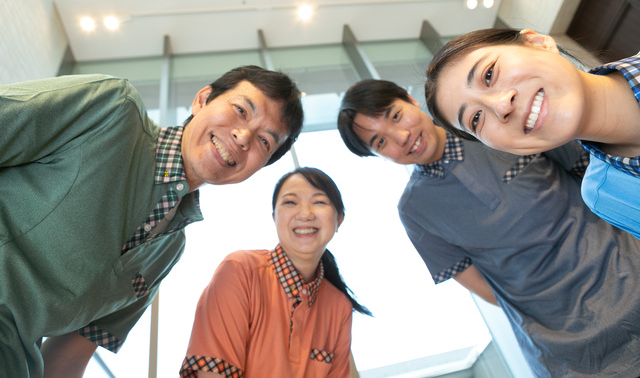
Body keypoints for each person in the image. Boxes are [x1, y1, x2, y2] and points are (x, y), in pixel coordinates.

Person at [0, 65, 304, 378]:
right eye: (241, 110)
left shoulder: (168, 250)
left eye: (264, 141)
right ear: (202, 100)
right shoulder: (113, 109)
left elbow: (68, 358)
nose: (243, 136)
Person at [337, 79, 640, 377]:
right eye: (380, 142)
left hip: (628, 272)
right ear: (376, 155)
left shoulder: (492, 124)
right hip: (566, 343)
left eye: (395, 116)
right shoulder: (414, 211)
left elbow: (592, 175)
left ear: (410, 99)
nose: (401, 136)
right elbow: (486, 291)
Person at [423, 28, 640, 237]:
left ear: (538, 43)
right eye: (476, 119)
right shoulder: (606, 196)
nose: (501, 106)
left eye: (489, 74)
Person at [179, 167, 371, 378]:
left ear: (339, 219)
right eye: (290, 202)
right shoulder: (240, 271)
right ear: (274, 217)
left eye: (319, 202)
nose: (305, 214)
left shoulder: (340, 307)